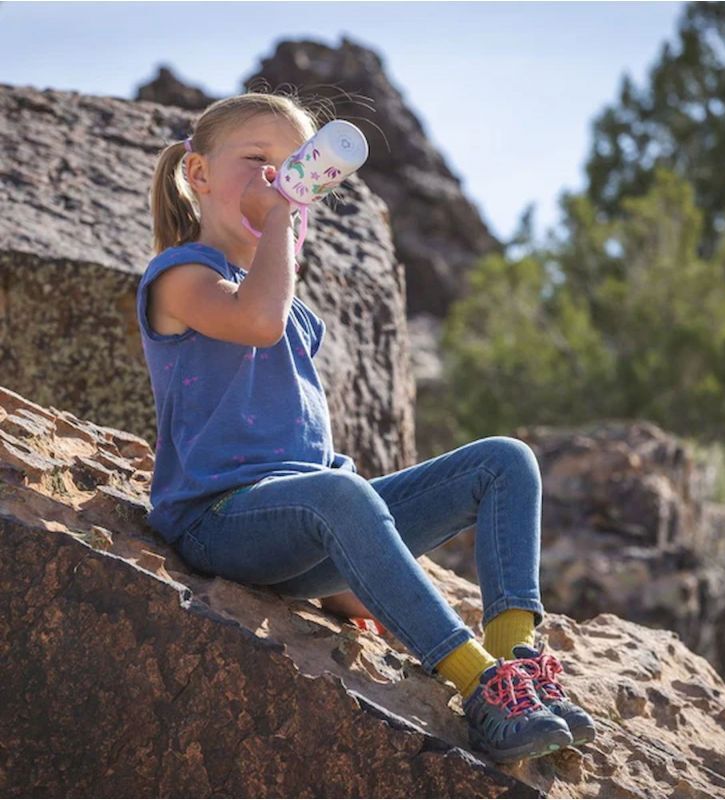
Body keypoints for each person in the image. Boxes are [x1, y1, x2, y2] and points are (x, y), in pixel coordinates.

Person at [137, 90, 595, 764]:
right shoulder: (181, 275)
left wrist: (353, 586)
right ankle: (478, 687)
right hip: (218, 521)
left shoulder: (290, 303)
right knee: (337, 491)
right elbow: (257, 320)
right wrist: (279, 219)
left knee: (504, 460)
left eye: (298, 167)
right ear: (199, 175)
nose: (281, 179)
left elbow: (303, 451)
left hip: (303, 527)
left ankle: (515, 669)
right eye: (258, 161)